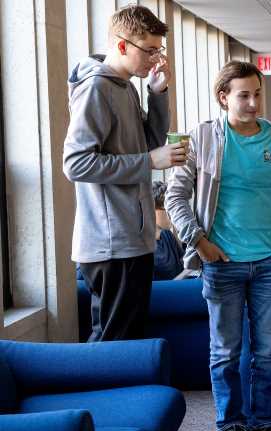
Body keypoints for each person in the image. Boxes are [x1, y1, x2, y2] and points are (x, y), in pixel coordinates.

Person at [166, 61, 271, 431]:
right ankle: (230, 427)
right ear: (223, 97)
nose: (252, 103)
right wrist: (198, 241)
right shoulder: (202, 139)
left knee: (268, 352)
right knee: (225, 352)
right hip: (220, 262)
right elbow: (175, 194)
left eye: (257, 94)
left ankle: (265, 427)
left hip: (270, 262)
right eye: (243, 95)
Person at [63, 5, 185, 342]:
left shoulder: (126, 87)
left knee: (124, 340)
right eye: (149, 50)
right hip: (111, 243)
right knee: (114, 344)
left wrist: (158, 94)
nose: (155, 59)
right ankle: (95, 397)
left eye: (158, 50)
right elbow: (76, 164)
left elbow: (149, 142)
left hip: (132, 239)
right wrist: (149, 161)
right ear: (121, 46)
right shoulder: (96, 89)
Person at [151, 181, 184, 280]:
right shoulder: (141, 244)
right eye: (168, 210)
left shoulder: (167, 235)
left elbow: (182, 266)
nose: (172, 215)